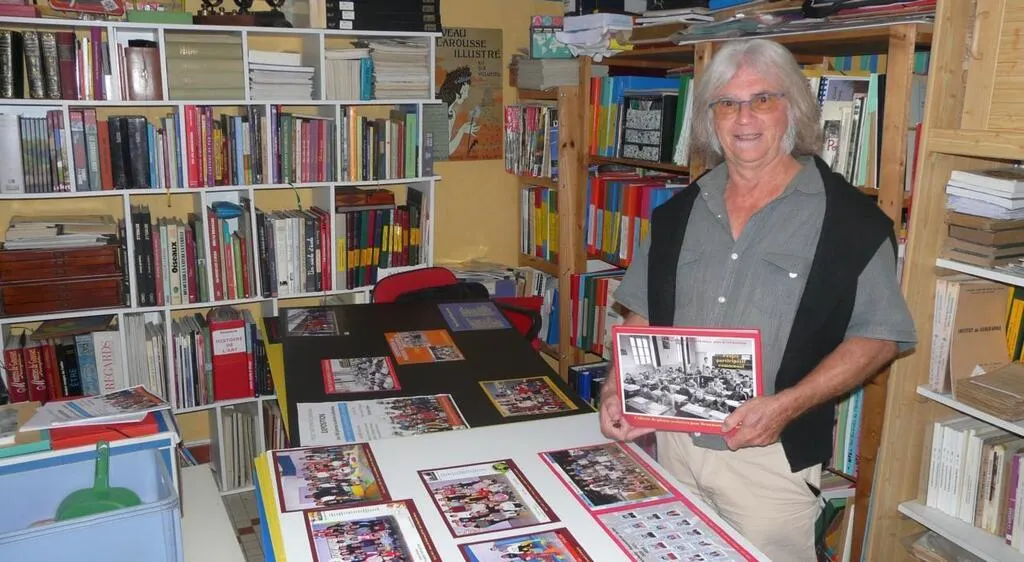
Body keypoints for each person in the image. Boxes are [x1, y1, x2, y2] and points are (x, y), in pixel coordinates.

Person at [599, 38, 916, 562]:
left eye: (762, 99)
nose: (743, 117)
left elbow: (879, 336)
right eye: (726, 103)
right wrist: (618, 388)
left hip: (770, 461)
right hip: (671, 444)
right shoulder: (677, 212)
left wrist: (787, 406)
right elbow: (643, 312)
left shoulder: (852, 223)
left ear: (792, 108)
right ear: (709, 119)